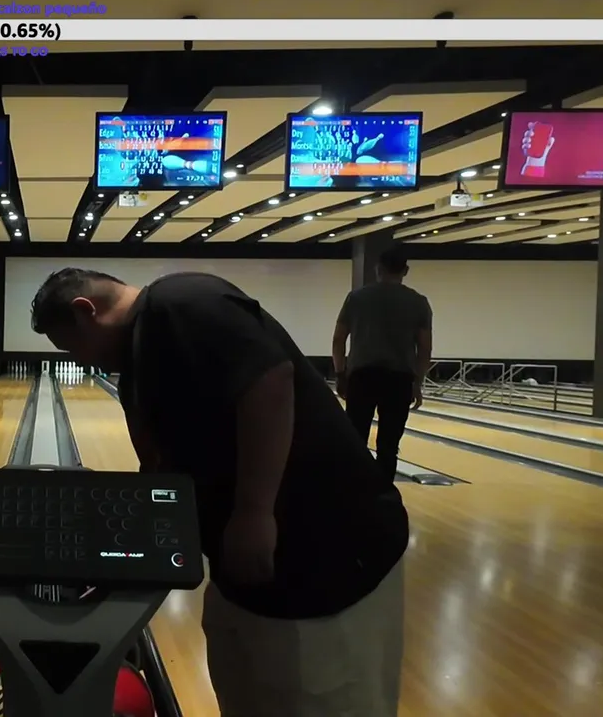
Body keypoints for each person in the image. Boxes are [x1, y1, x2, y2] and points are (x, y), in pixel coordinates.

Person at [30, 268, 409, 716]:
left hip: (330, 559)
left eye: (72, 347)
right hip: (253, 573)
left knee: (321, 696)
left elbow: (270, 381)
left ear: (85, 311)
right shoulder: (140, 361)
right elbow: (158, 469)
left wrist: (254, 512)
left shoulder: (181, 303)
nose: (81, 362)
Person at [333, 247, 433, 483]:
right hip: (399, 380)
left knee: (356, 440)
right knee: (389, 444)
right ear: (405, 270)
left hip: (362, 377)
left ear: (378, 269)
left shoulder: (356, 298)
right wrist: (417, 383)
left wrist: (340, 374)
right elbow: (425, 348)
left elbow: (338, 339)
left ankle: (355, 490)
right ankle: (384, 493)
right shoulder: (418, 302)